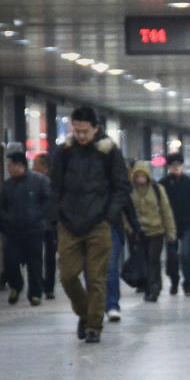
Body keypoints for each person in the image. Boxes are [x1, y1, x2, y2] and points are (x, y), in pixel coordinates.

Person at [50, 107, 130, 343]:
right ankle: (85, 313)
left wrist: (109, 215)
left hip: (98, 223)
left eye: (86, 131)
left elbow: (121, 186)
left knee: (96, 278)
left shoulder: (109, 152)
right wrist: (56, 216)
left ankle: (94, 327)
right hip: (68, 223)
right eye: (77, 131)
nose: (81, 136)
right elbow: (55, 186)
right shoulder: (64, 152)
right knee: (67, 276)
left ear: (96, 129)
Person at [1, 151, 51, 306]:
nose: (9, 169)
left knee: (34, 263)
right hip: (13, 231)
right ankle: (16, 285)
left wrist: (39, 216)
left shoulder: (38, 181)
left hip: (34, 230)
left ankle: (35, 294)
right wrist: (6, 221)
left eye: (11, 166)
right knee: (11, 262)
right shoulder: (7, 186)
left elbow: (48, 201)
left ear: (20, 165)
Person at [160, 153, 190, 296]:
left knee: (186, 255)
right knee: (172, 256)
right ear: (168, 167)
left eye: (178, 165)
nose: (176, 168)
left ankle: (187, 284)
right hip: (170, 226)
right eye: (173, 166)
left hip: (187, 224)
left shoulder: (189, 183)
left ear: (182, 166)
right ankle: (175, 281)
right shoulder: (163, 184)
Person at [129, 161, 176, 303]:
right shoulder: (130, 192)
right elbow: (127, 212)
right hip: (140, 232)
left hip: (157, 231)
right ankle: (149, 286)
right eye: (138, 177)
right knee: (143, 261)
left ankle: (154, 287)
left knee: (153, 260)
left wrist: (171, 232)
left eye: (143, 176)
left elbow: (166, 211)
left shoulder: (157, 189)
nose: (140, 179)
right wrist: (130, 229)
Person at [105, 165, 143, 322]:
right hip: (90, 228)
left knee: (111, 267)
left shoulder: (117, 185)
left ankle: (112, 304)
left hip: (112, 227)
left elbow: (128, 208)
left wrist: (137, 229)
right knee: (93, 270)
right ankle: (96, 304)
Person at [31, 152, 57, 299]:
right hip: (37, 223)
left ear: (44, 167)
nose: (33, 167)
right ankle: (40, 284)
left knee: (50, 256)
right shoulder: (32, 181)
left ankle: (49, 287)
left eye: (35, 164)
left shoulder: (53, 182)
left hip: (50, 223)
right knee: (36, 256)